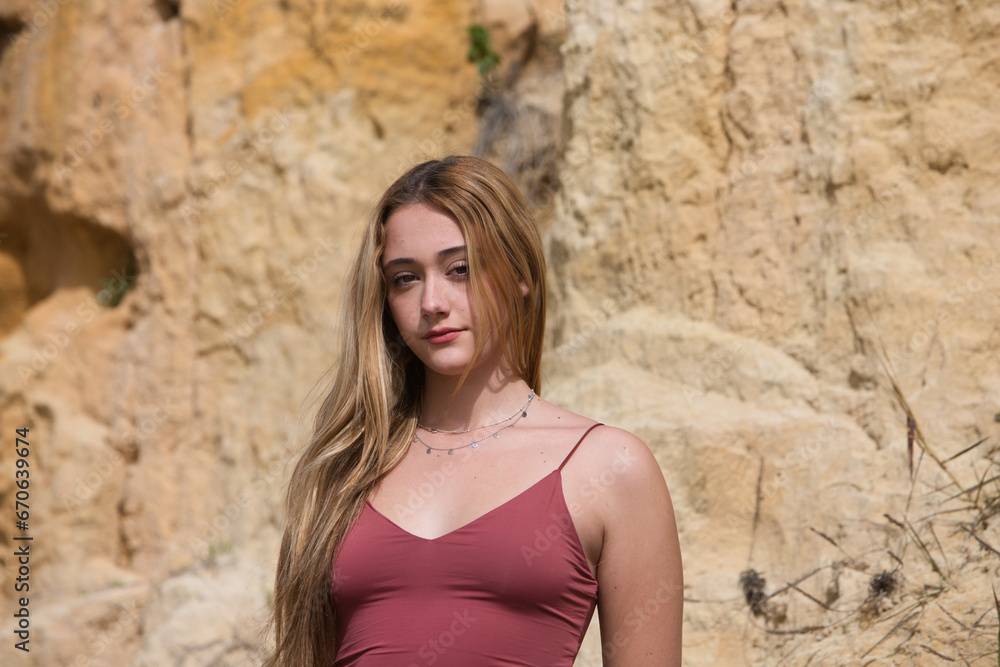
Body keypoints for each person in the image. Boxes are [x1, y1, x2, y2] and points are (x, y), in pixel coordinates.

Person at [265, 155, 683, 666]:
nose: (432, 302)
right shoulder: (344, 468)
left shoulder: (610, 467)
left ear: (521, 274)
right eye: (404, 278)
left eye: (459, 268)